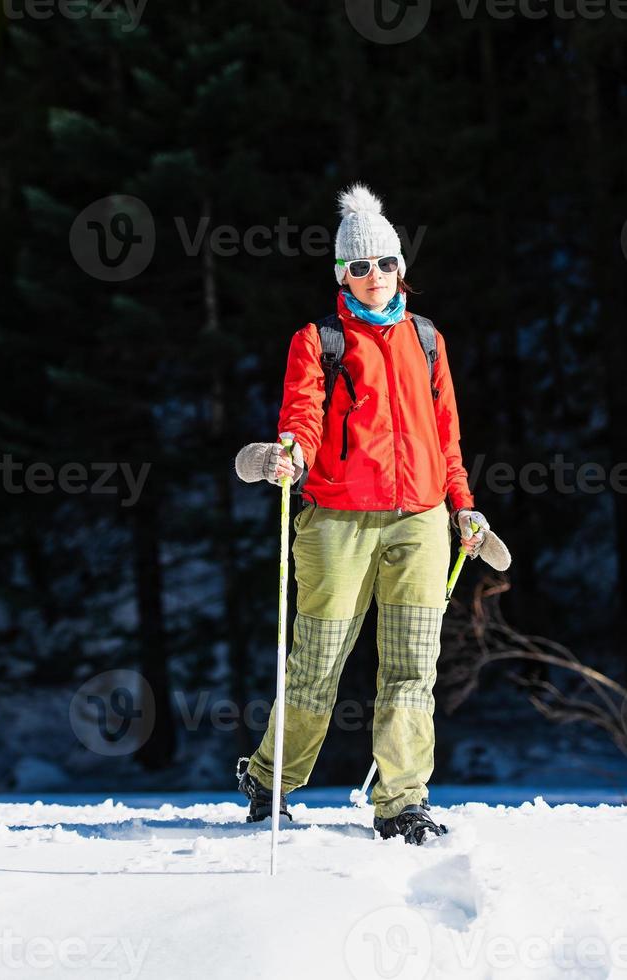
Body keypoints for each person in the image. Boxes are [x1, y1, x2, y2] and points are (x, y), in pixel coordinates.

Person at [233, 183, 490, 845]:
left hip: (421, 521)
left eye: (384, 264)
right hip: (337, 521)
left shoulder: (428, 340)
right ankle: (271, 781)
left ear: (401, 267)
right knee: (318, 664)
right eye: (358, 267)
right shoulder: (318, 341)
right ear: (341, 274)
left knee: (412, 669)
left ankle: (402, 802)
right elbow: (303, 417)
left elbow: (447, 436)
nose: (373, 277)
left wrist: (464, 509)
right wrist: (289, 453)